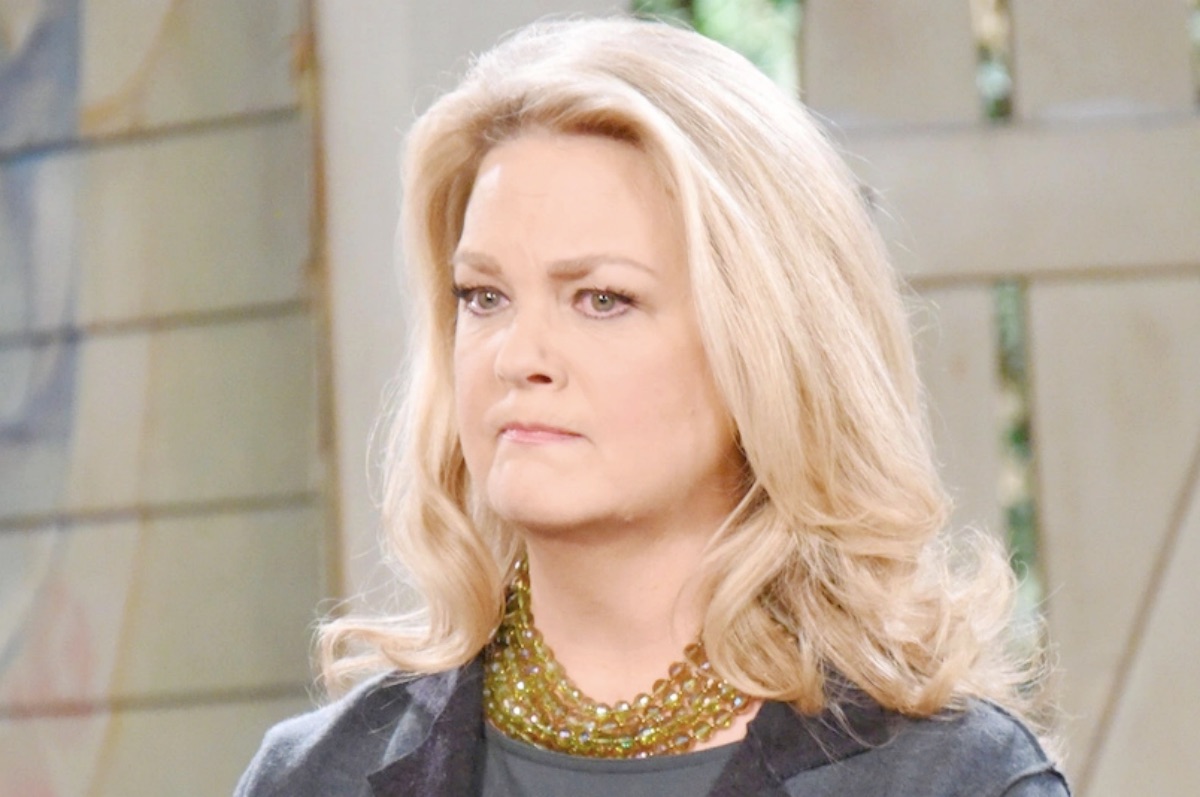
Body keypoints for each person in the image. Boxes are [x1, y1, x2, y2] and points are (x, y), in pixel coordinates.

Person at [236, 15, 1069, 797]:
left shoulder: (955, 778)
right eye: (484, 296)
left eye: (602, 299)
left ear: (764, 344)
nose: (518, 357)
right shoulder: (315, 775)